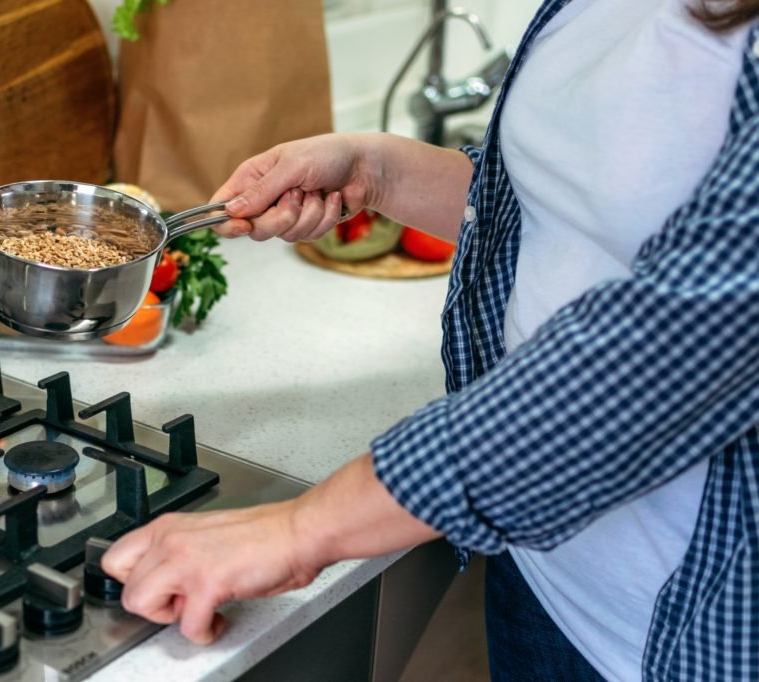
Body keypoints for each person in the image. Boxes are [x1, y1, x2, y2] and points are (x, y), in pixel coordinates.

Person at [102, 0, 759, 679]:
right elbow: (575, 214)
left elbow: (646, 364)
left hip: (679, 641)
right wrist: (379, 170)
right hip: (542, 568)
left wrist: (300, 530)